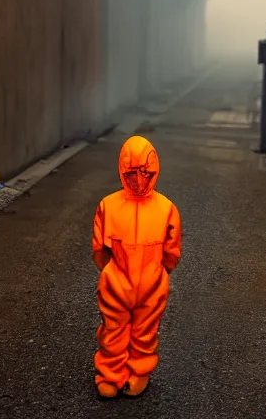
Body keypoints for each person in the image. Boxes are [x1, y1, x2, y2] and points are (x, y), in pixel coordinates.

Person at [92, 135, 182, 398]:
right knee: (113, 332)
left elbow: (171, 251)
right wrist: (114, 274)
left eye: (145, 173)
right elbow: (100, 249)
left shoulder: (166, 209)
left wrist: (156, 274)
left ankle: (138, 373)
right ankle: (111, 374)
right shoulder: (108, 206)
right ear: (122, 171)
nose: (139, 180)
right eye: (132, 174)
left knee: (144, 334)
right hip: (119, 285)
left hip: (150, 285)